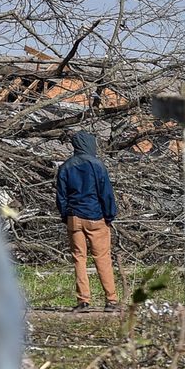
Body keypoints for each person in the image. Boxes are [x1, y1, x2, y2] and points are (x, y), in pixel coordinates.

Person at [56, 131, 119, 310]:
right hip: (96, 217)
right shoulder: (97, 165)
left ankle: (83, 300)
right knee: (102, 258)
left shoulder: (65, 167)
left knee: (79, 259)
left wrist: (65, 216)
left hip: (74, 218)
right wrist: (109, 216)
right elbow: (106, 194)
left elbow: (61, 197)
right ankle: (111, 300)